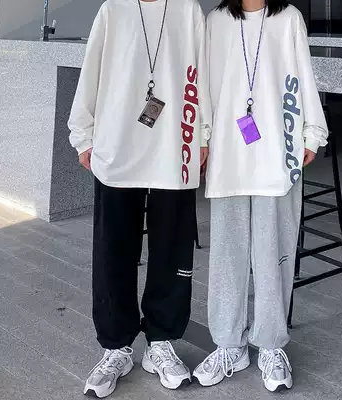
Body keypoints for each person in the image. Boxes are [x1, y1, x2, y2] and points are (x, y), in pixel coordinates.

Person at [68, 0, 211, 397]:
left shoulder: (188, 10)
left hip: (174, 148)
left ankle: (161, 342)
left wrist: (203, 135)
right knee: (112, 250)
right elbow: (91, 73)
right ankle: (116, 347)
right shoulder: (113, 9)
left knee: (172, 249)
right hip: (117, 148)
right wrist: (82, 135)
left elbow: (204, 75)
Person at [193, 0, 328, 393]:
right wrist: (202, 137)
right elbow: (204, 88)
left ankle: (271, 344)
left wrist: (312, 132)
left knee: (273, 254)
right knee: (227, 256)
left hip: (276, 156)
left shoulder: (288, 19)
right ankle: (229, 345)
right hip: (229, 159)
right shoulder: (217, 21)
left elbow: (303, 74)